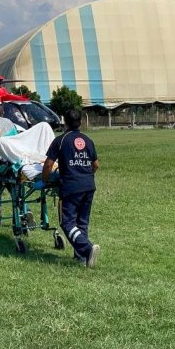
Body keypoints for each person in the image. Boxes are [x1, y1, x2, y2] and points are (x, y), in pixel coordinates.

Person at [42, 109, 101, 267]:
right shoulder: (88, 140)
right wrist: (86, 175)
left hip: (70, 187)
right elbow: (95, 165)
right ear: (80, 122)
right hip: (89, 185)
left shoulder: (61, 140)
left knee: (67, 223)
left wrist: (43, 180)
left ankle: (87, 249)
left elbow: (48, 164)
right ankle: (81, 257)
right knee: (81, 222)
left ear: (65, 123)